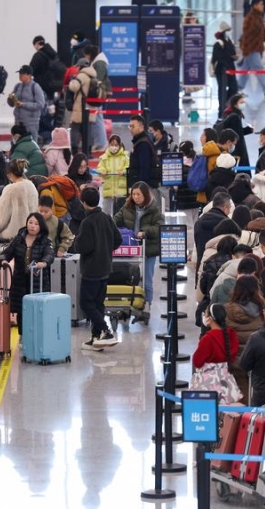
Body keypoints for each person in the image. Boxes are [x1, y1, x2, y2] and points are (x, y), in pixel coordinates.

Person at [76, 188, 123, 350]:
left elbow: (83, 247)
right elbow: (118, 239)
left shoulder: (87, 222)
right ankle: (96, 338)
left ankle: (105, 330)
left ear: (83, 202)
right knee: (98, 303)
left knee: (86, 303)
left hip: (91, 270)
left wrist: (76, 241)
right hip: (105, 268)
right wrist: (106, 249)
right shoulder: (106, 217)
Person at [2, 213, 54, 335]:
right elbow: (8, 252)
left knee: (36, 309)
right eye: (30, 222)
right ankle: (22, 335)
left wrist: (44, 262)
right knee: (21, 308)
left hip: (37, 281)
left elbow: (50, 254)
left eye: (36, 224)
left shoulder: (45, 241)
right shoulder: (19, 239)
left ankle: (37, 335)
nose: (32, 226)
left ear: (41, 226)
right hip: (20, 279)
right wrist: (3, 260)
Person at [113, 182, 162, 311]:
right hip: (130, 249)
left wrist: (145, 232)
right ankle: (128, 304)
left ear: (145, 195)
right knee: (127, 278)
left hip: (148, 248)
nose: (135, 197)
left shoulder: (154, 209)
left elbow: (159, 227)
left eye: (138, 194)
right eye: (133, 194)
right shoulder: (127, 207)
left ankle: (147, 307)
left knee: (147, 281)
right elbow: (116, 219)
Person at [193, 303, 241, 399]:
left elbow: (197, 361)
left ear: (210, 318)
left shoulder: (208, 339)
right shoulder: (231, 335)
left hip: (207, 383)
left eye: (205, 313)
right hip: (226, 382)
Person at [238, 0, 265, 99]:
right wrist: (246, 49)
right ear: (255, 6)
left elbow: (263, 32)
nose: (263, 6)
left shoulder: (258, 17)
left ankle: (238, 89)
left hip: (256, 48)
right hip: (251, 49)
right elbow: (246, 35)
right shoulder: (250, 18)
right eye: (261, 4)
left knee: (245, 68)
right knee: (259, 68)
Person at [0, 158, 39, 241]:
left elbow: (3, 217)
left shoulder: (10, 189)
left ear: (10, 174)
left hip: (13, 236)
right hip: (31, 234)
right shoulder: (31, 186)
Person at [194, 193, 232, 273]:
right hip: (218, 267)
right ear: (225, 208)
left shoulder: (199, 222)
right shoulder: (226, 224)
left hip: (201, 265)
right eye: (229, 208)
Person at [67, 61, 98, 154]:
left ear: (80, 66)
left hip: (80, 108)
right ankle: (88, 152)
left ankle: (75, 151)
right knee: (88, 131)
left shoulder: (81, 75)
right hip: (90, 107)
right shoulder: (93, 75)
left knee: (75, 129)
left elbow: (74, 87)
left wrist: (72, 81)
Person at [9, 65, 45, 142]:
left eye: (22, 74)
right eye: (19, 74)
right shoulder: (18, 86)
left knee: (31, 143)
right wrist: (10, 99)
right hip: (18, 122)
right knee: (17, 143)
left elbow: (40, 104)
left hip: (31, 122)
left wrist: (23, 105)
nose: (20, 76)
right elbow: (11, 104)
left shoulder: (35, 87)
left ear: (29, 75)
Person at [97, 135, 130, 215]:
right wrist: (103, 171)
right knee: (106, 213)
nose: (114, 147)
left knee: (120, 213)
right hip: (108, 190)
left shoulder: (125, 157)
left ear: (119, 145)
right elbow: (100, 168)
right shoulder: (104, 157)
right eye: (112, 144)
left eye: (116, 145)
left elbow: (129, 168)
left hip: (121, 191)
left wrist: (124, 172)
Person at [211, 21, 238, 113]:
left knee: (234, 88)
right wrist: (229, 57)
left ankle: (227, 104)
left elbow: (233, 52)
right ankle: (222, 108)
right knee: (222, 89)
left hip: (231, 69)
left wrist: (234, 57)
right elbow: (217, 57)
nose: (229, 32)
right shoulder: (218, 43)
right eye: (227, 30)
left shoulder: (230, 41)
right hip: (221, 70)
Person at [127, 115, 158, 192]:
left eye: (133, 126)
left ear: (141, 127)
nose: (130, 129)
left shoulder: (143, 144)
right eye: (130, 126)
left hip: (144, 186)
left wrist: (140, 188)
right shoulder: (140, 140)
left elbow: (144, 167)